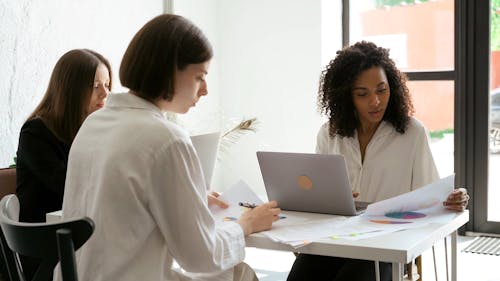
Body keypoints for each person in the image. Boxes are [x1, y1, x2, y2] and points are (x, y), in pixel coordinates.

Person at [57, 14, 281, 281]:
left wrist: (188, 193)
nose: (205, 90)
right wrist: (246, 225)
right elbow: (200, 257)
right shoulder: (166, 139)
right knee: (239, 273)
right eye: (200, 77)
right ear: (170, 72)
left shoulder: (95, 122)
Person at [287, 41, 469, 281]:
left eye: (382, 90)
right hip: (335, 240)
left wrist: (455, 198)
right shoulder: (329, 134)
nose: (375, 101)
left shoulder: (412, 133)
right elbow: (319, 197)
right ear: (346, 96)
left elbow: (432, 195)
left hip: (388, 245)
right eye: (363, 94)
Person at [14, 48, 111, 279]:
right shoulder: (35, 132)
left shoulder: (94, 130)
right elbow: (71, 187)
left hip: (81, 239)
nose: (105, 94)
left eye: (107, 85)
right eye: (96, 86)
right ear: (71, 89)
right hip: (46, 251)